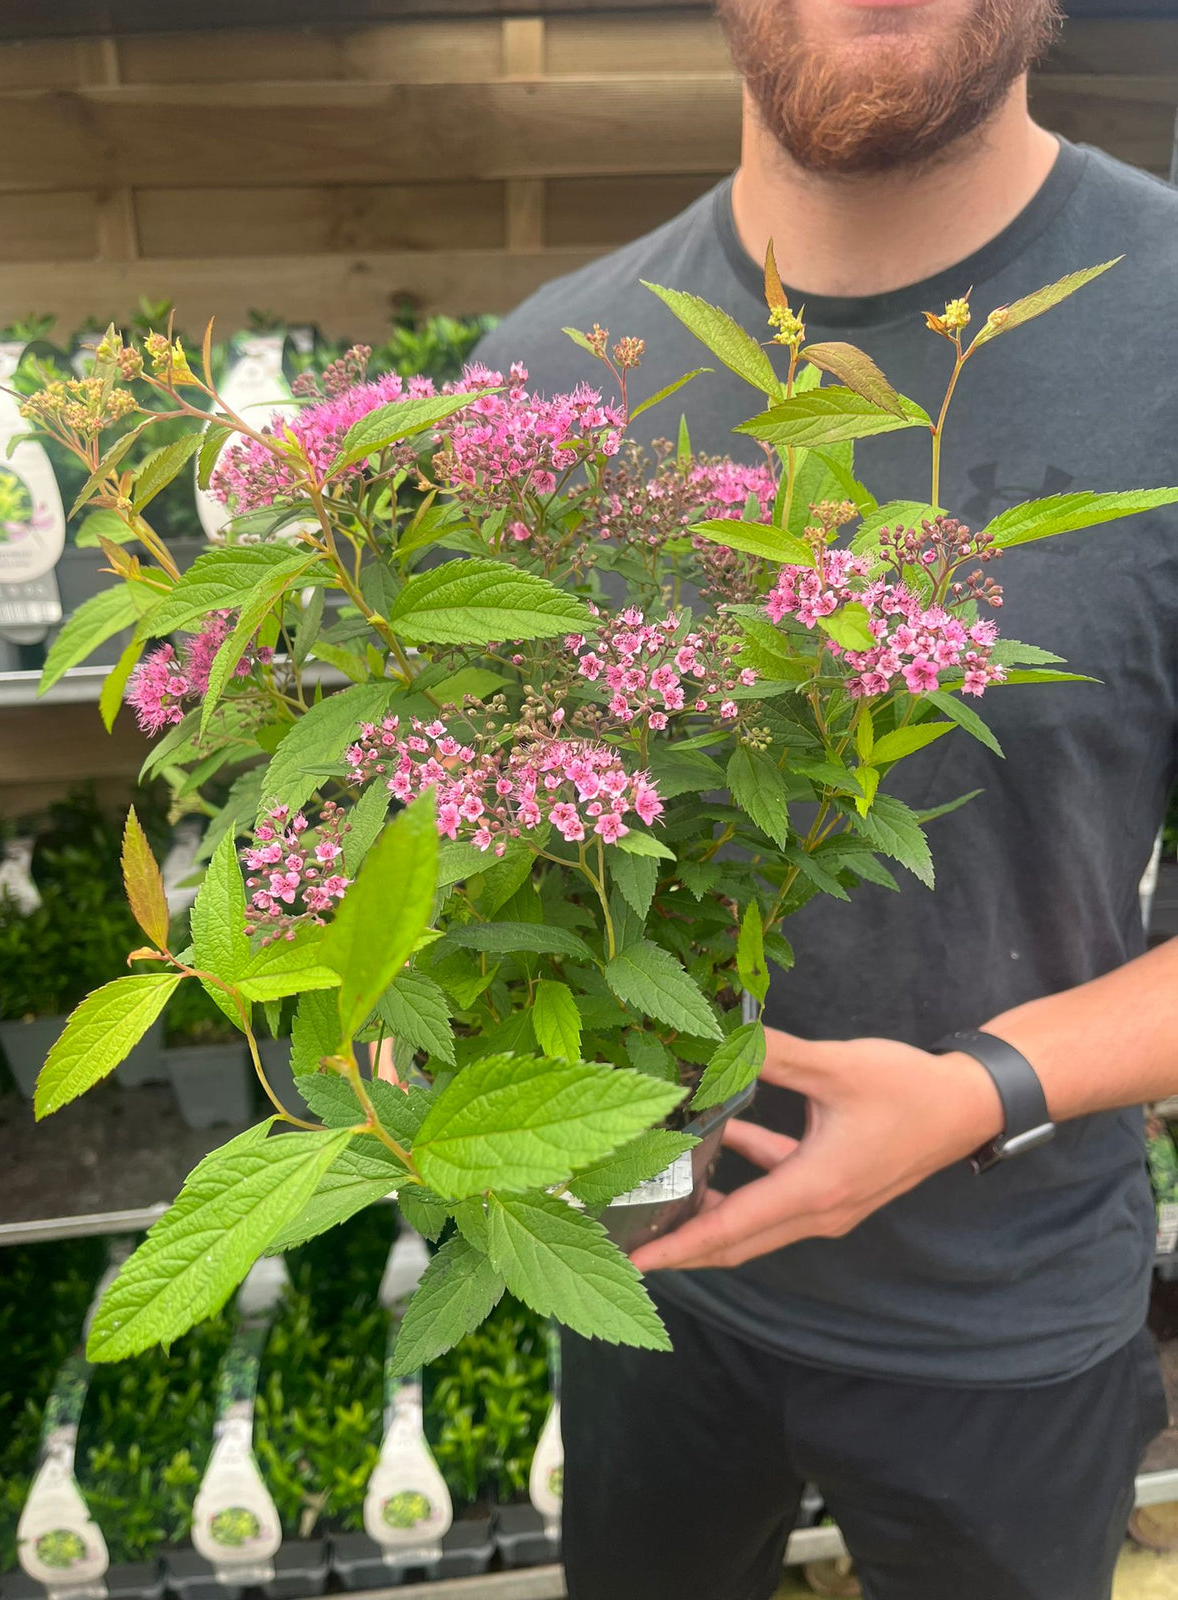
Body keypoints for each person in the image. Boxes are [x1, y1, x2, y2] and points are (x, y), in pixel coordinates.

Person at [471, 2, 1178, 1597]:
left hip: (1002, 1312)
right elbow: (485, 852)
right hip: (647, 1278)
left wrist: (982, 1088)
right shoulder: (538, 388)